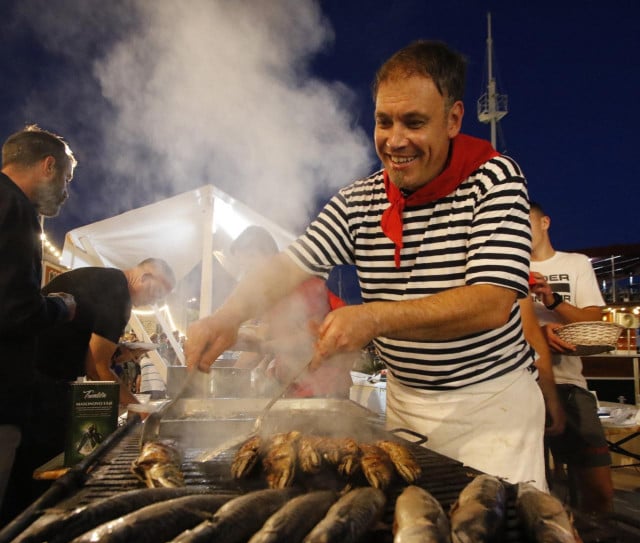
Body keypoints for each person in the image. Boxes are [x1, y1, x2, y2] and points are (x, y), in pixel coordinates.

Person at [186, 40, 547, 487]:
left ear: (453, 119)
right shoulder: (360, 200)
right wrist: (227, 317)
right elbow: (288, 266)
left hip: (492, 409)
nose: (395, 141)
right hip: (406, 405)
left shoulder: (494, 180)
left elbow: (491, 302)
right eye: (384, 121)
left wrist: (374, 317)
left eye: (414, 123)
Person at [3, 258, 175, 521]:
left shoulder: (105, 281)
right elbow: (97, 369)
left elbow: (87, 351)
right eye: (157, 293)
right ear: (145, 278)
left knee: (30, 467)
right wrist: (142, 411)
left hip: (32, 378)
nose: (155, 302)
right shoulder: (118, 294)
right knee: (36, 473)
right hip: (41, 384)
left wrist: (120, 354)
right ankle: (23, 536)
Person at [0, 125, 77, 518]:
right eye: (65, 179)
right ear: (48, 166)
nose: (65, 192)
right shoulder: (16, 209)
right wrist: (62, 306)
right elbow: (17, 310)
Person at [529, 201, 614, 512]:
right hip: (522, 388)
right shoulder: (510, 267)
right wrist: (539, 332)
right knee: (532, 490)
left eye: (526, 223)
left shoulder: (576, 263)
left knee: (599, 491)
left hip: (569, 385)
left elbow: (593, 322)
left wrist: (552, 300)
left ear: (545, 223)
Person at [230, 225, 354, 398]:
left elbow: (313, 338)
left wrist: (264, 347)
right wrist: (230, 377)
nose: (247, 276)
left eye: (250, 267)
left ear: (267, 256)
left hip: (324, 390)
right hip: (294, 388)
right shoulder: (271, 295)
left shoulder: (302, 285)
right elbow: (261, 343)